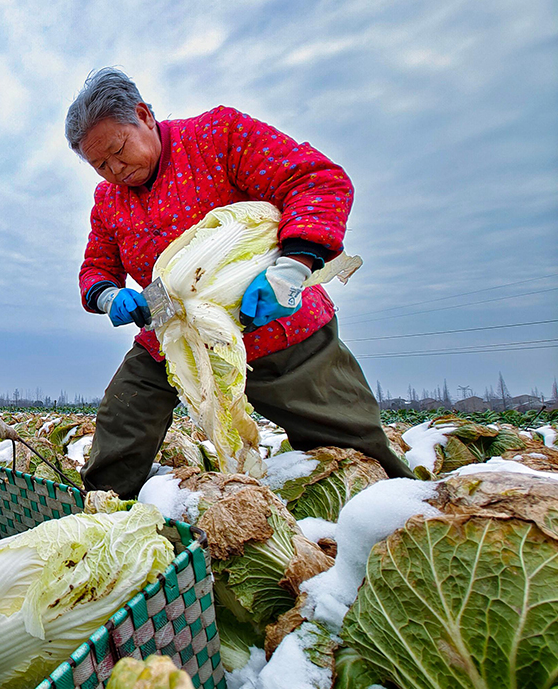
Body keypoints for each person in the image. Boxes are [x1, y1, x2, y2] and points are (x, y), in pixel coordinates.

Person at [66, 68, 413, 499]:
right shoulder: (108, 201)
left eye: (119, 150)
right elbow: (95, 268)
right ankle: (105, 516)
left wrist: (293, 268)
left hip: (275, 322)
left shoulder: (218, 135)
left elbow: (316, 180)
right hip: (174, 331)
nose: (115, 170)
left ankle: (395, 520)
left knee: (349, 448)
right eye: (99, 165)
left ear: (143, 116)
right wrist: (108, 295)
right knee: (123, 419)